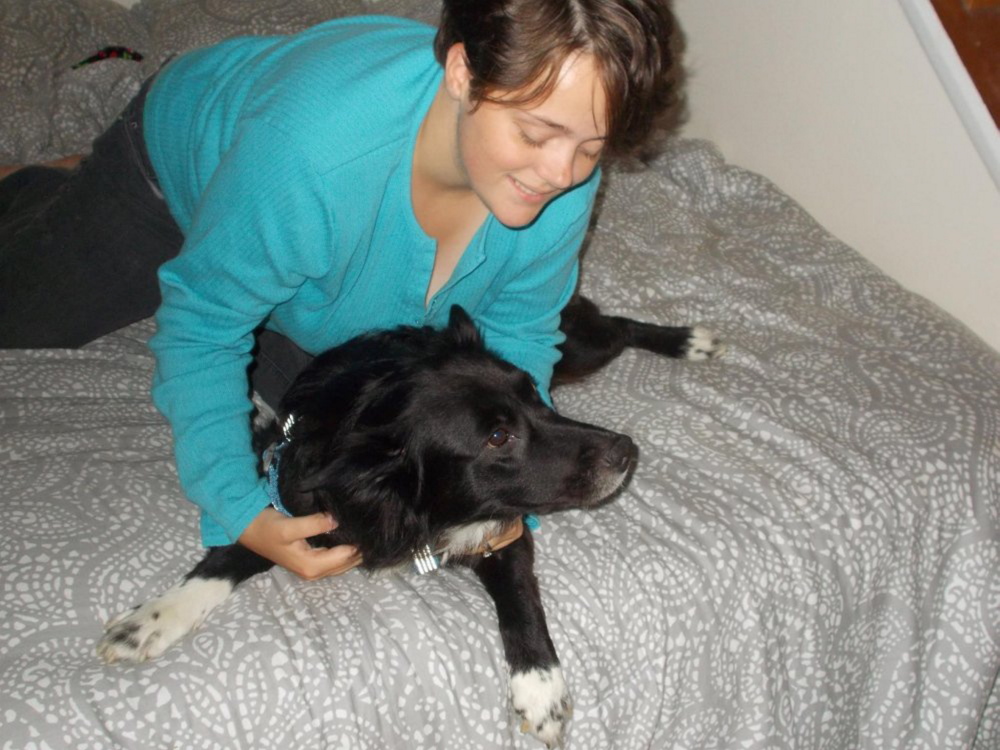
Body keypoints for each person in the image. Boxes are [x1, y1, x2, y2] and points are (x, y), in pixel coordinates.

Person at [0, 0, 685, 580]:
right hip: (179, 171)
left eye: (590, 147)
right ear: (461, 72)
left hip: (300, 226)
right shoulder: (310, 154)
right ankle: (41, 185)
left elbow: (520, 334)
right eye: (536, 133)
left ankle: (257, 255)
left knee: (346, 416)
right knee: (24, 309)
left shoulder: (562, 173)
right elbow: (202, 326)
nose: (562, 172)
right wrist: (240, 512)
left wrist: (514, 500)